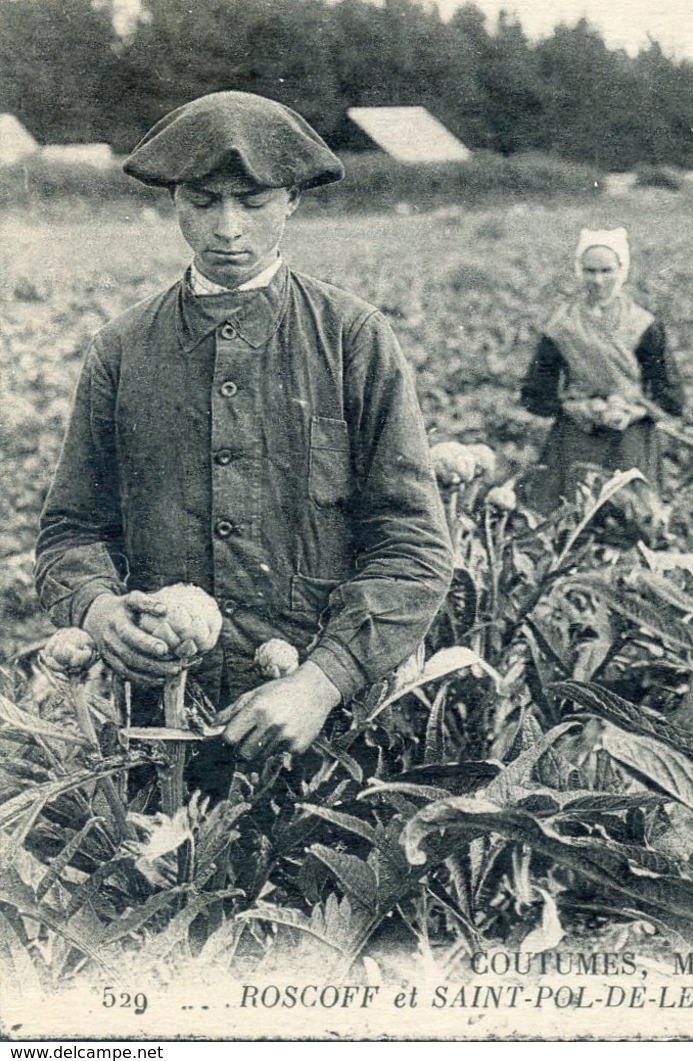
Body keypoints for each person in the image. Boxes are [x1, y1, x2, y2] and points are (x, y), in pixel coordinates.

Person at [35, 91, 453, 785]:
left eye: (253, 202)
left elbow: (413, 546)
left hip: (331, 734)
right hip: (159, 727)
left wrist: (322, 681)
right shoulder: (121, 349)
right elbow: (70, 531)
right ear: (174, 201)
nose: (227, 227)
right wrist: (100, 608)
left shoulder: (352, 338)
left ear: (292, 199)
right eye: (203, 201)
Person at [519, 228, 680, 507]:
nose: (598, 280)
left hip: (629, 436)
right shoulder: (561, 326)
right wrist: (574, 407)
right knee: (571, 515)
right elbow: (536, 392)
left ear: (622, 270)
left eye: (607, 270)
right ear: (578, 271)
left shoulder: (643, 325)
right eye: (590, 271)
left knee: (632, 512)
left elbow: (670, 393)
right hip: (577, 436)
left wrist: (633, 411)